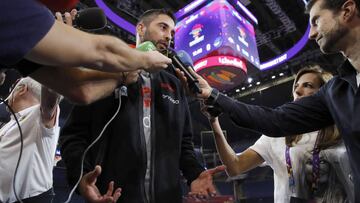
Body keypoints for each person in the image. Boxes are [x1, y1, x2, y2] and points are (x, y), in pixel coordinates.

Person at [176, 0, 360, 198]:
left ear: (347, 11)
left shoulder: (336, 120)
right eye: (296, 86)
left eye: (316, 21)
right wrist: (214, 95)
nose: (312, 34)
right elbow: (275, 120)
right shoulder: (336, 91)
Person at [60, 9, 225, 203]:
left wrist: (195, 174)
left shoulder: (175, 86)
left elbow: (184, 145)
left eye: (172, 33)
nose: (168, 37)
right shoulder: (109, 71)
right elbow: (74, 136)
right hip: (112, 196)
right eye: (163, 27)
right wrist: (81, 177)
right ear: (140, 28)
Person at [201, 66, 353, 202]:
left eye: (308, 86)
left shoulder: (345, 129)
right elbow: (235, 167)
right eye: (296, 86)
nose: (298, 91)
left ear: (324, 93)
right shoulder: (277, 136)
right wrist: (214, 122)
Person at [0, 0, 172, 104]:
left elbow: (80, 90)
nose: (169, 37)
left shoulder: (23, 35)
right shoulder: (15, 6)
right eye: (163, 28)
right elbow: (101, 51)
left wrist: (121, 77)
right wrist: (145, 58)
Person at [0, 77, 61, 203]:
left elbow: (51, 94)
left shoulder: (39, 116)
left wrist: (46, 65)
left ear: (22, 89)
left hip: (28, 199)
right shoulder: (9, 123)